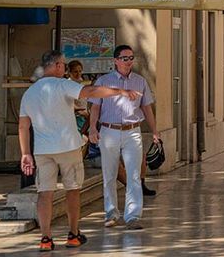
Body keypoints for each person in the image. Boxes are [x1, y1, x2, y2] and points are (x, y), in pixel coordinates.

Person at [19, 50, 140, 251]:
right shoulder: (63, 84)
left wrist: (25, 153)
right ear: (57, 65)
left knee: (44, 193)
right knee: (73, 190)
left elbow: (23, 126)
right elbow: (91, 92)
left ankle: (45, 239)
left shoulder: (29, 93)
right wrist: (120, 91)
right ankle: (73, 234)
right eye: (64, 65)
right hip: (68, 147)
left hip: (42, 151)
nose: (65, 69)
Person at [86, 45, 159, 230]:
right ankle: (111, 213)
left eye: (131, 58)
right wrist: (93, 128)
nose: (128, 62)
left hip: (132, 131)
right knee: (109, 174)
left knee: (134, 175)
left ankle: (133, 216)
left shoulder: (140, 81)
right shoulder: (103, 81)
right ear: (116, 60)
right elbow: (95, 107)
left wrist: (154, 131)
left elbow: (147, 108)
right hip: (108, 131)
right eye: (125, 58)